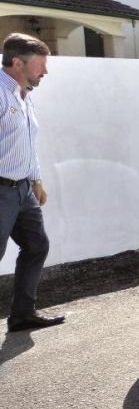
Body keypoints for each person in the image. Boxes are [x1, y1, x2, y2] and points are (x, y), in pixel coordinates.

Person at [0, 33, 65, 332]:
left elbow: (28, 142)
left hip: (23, 189)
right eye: (41, 64)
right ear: (17, 63)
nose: (45, 71)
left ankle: (23, 314)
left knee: (37, 245)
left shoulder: (25, 95)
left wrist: (36, 179)